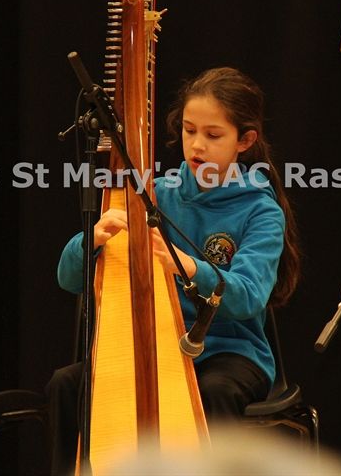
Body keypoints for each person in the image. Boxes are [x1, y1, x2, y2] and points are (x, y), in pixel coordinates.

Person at [46, 67, 301, 475]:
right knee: (67, 383)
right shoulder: (153, 194)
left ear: (245, 141)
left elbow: (248, 297)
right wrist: (89, 240)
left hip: (230, 352)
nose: (197, 145)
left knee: (213, 390)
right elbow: (68, 279)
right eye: (188, 130)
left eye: (213, 135)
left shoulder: (260, 210)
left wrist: (186, 265)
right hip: (155, 348)